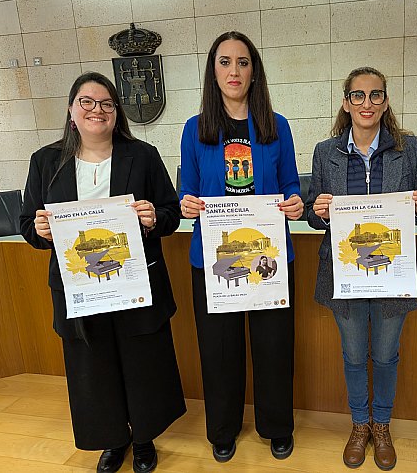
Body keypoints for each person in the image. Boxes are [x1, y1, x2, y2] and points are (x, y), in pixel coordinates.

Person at [20, 72, 186, 473]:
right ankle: (113, 441)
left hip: (135, 281)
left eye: (107, 104)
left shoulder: (142, 155)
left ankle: (144, 438)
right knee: (94, 369)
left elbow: (171, 212)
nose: (97, 110)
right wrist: (40, 231)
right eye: (87, 102)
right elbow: (28, 223)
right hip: (79, 287)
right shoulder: (45, 161)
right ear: (72, 110)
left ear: (117, 112)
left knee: (141, 362)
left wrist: (153, 217)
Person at [179, 31, 303, 463]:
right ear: (213, 71)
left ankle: (276, 426)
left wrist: (295, 201)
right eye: (225, 62)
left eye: (243, 62)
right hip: (215, 256)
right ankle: (223, 429)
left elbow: (290, 183)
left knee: (273, 347)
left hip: (269, 254)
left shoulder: (277, 125)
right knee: (220, 350)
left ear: (255, 71)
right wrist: (186, 204)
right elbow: (187, 191)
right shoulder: (194, 129)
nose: (235, 71)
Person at [306, 66, 417, 471]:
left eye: (375, 95)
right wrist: (319, 210)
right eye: (358, 96)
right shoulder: (325, 151)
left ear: (385, 101)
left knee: (384, 354)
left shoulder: (408, 147)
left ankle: (382, 424)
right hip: (344, 271)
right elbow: (314, 217)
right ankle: (359, 424)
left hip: (392, 271)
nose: (367, 103)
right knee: (353, 352)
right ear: (346, 102)